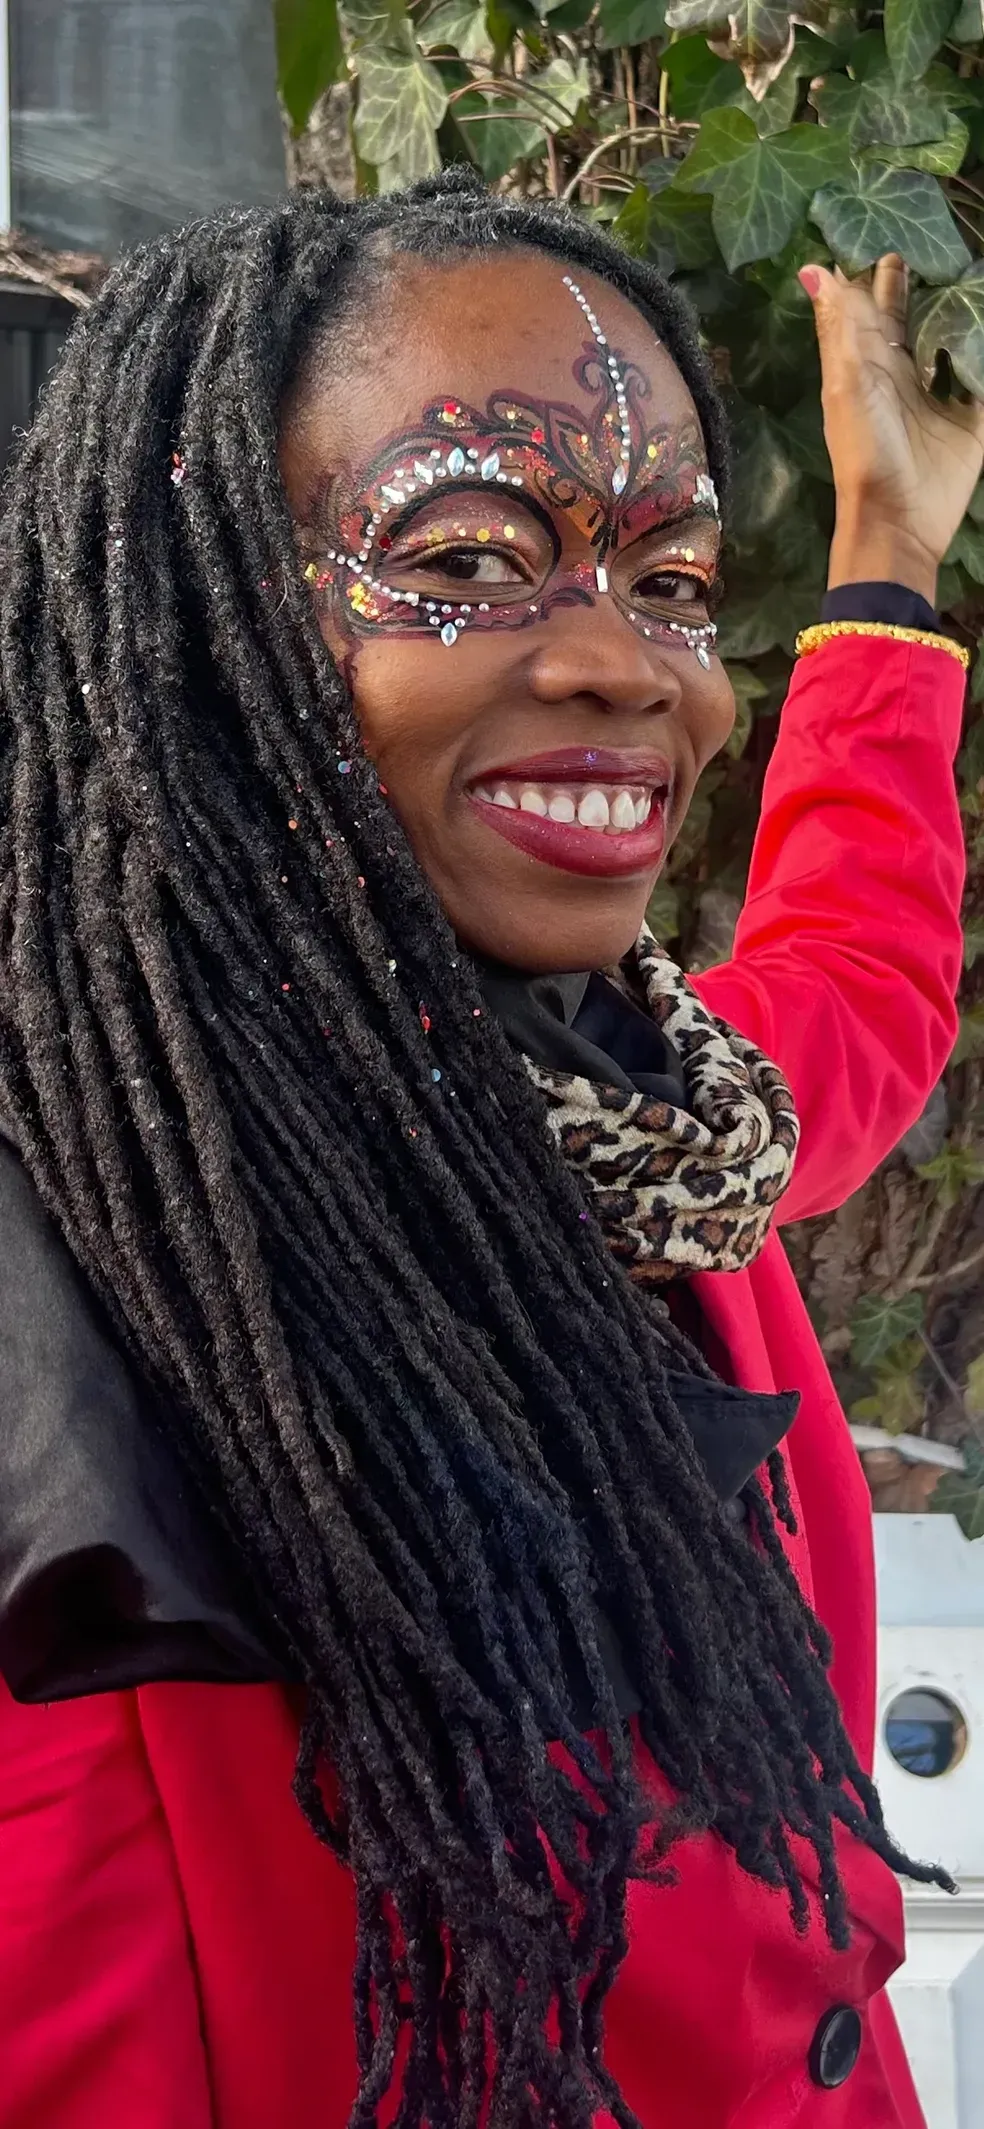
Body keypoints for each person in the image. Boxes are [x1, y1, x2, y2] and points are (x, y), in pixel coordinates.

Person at [0, 171, 978, 2129]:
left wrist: (886, 551)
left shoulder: (659, 1124)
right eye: (467, 556)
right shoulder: (92, 1286)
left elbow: (854, 981)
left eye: (672, 582)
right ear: (201, 629)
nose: (637, 667)